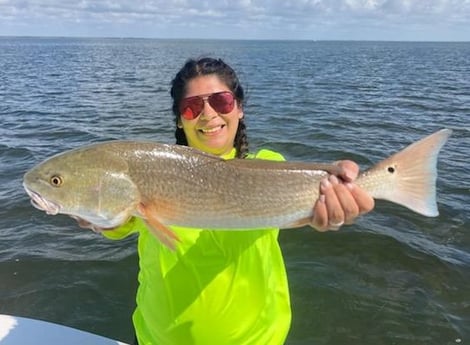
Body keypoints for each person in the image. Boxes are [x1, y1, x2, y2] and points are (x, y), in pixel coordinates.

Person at [102, 57, 374, 345]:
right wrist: (95, 217)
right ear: (180, 120)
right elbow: (116, 222)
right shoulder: (151, 171)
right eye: (192, 107)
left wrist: (337, 199)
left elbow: (310, 204)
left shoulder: (269, 165)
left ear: (239, 108)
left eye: (221, 101)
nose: (207, 114)